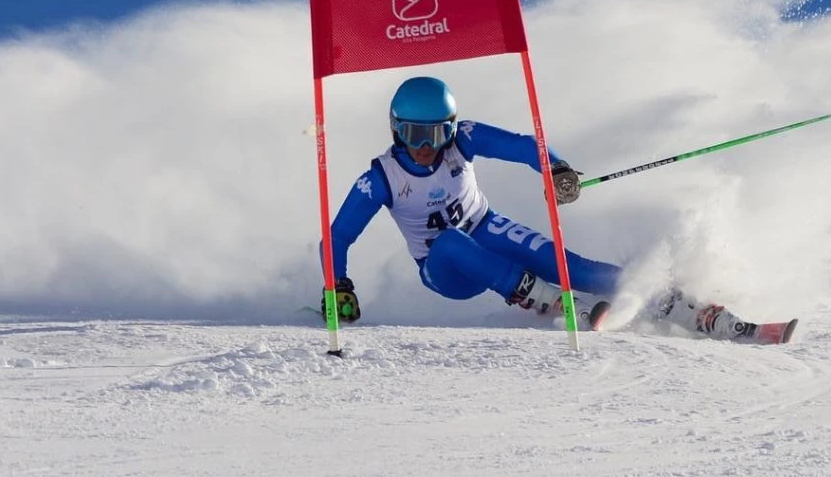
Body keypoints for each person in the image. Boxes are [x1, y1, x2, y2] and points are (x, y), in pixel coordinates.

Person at [321, 76, 796, 344]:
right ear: (396, 129)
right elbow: (337, 236)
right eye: (413, 134)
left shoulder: (463, 140)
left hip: (487, 228)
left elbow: (522, 146)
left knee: (573, 267)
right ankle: (544, 299)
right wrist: (337, 285)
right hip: (445, 270)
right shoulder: (381, 177)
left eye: (435, 134)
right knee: (449, 242)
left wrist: (556, 167)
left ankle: (687, 308)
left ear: (450, 128)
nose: (425, 147)